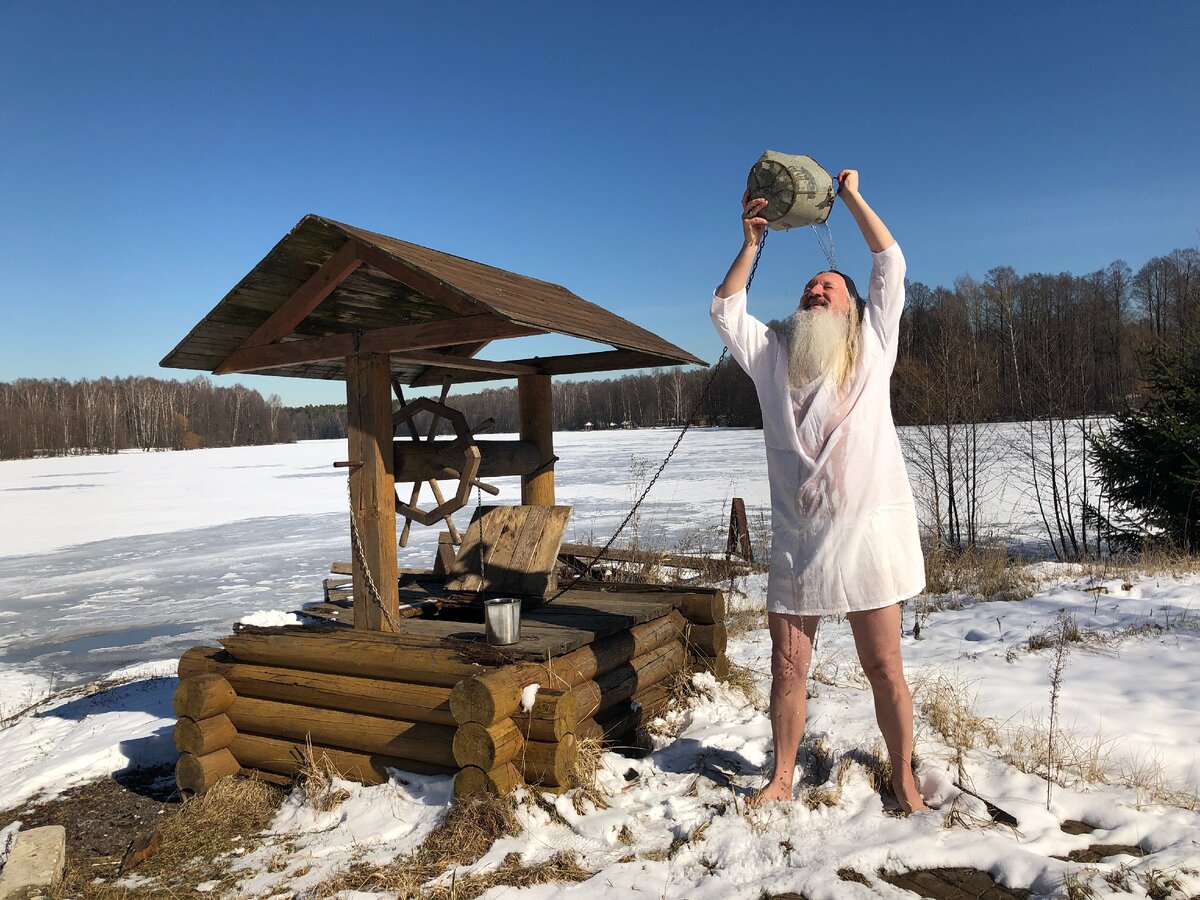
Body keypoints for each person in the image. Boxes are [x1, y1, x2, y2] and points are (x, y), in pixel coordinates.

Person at [711, 169, 927, 812]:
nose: (815, 291)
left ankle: (905, 776)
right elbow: (725, 310)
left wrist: (853, 195)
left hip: (867, 535)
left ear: (852, 308)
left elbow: (889, 260)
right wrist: (753, 242)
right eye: (810, 288)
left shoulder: (874, 348)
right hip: (800, 539)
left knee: (884, 667)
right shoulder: (772, 355)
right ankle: (780, 777)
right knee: (786, 667)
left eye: (828, 288)